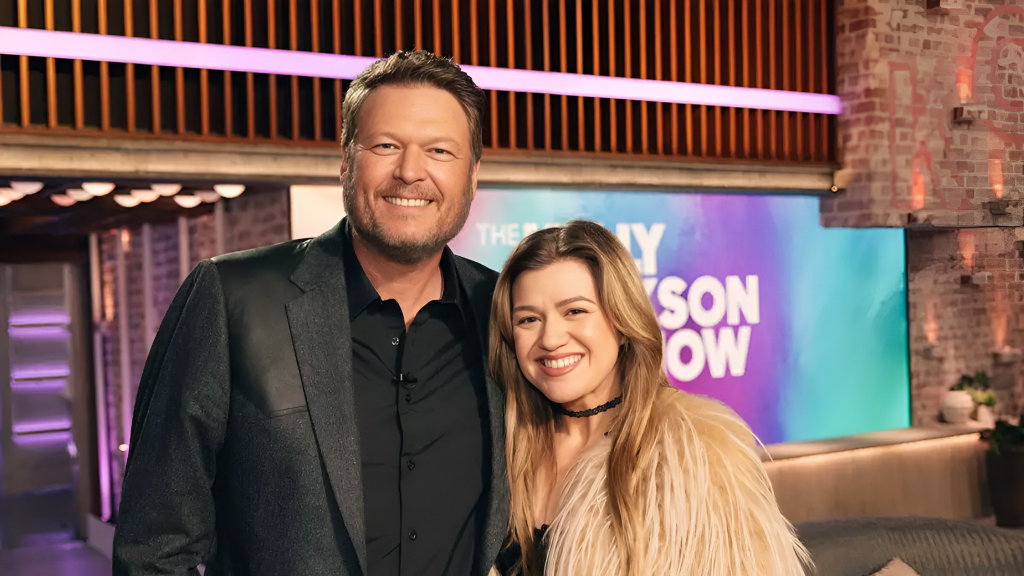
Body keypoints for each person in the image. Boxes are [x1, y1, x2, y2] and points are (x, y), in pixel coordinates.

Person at [113, 51, 508, 576]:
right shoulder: (231, 299)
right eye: (385, 146)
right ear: (346, 161)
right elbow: (154, 548)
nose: (411, 171)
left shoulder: (503, 312)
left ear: (472, 175)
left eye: (439, 150)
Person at [488, 220, 811, 576]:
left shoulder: (693, 454)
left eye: (575, 311)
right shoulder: (504, 447)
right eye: (528, 319)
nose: (550, 338)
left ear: (622, 322)